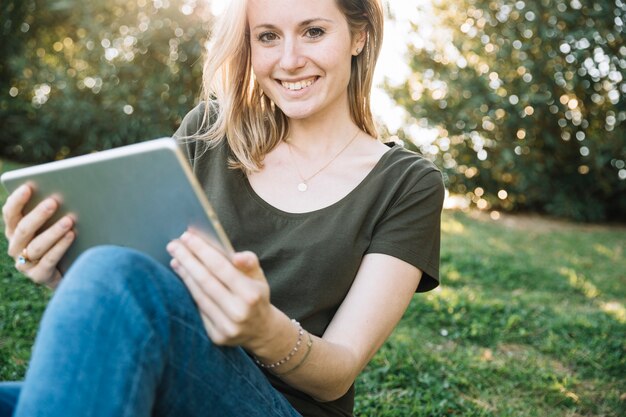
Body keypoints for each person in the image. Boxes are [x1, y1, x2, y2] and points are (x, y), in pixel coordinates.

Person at [0, 0, 444, 416]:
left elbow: (338, 373)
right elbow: (143, 292)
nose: (289, 60)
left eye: (312, 31)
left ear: (359, 35)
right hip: (165, 375)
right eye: (267, 36)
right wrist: (68, 270)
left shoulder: (407, 184)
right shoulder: (209, 133)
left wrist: (264, 330)